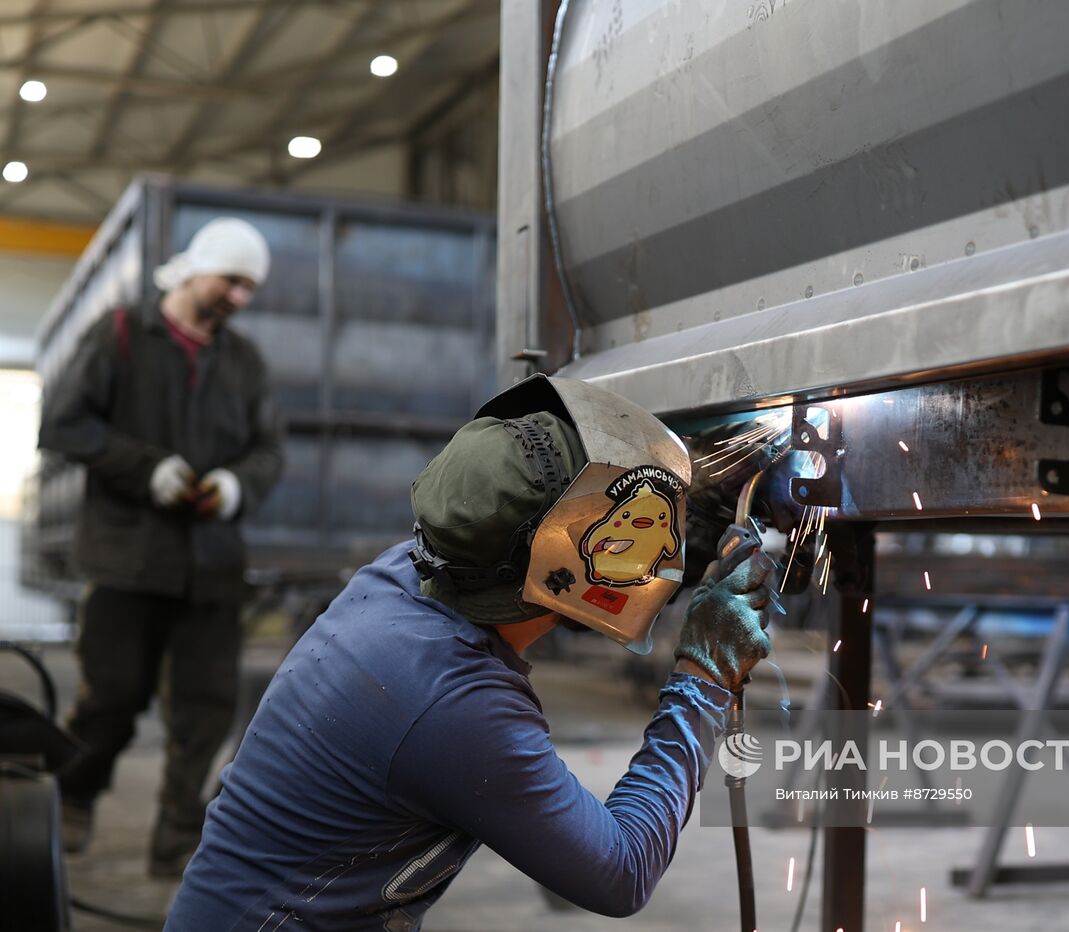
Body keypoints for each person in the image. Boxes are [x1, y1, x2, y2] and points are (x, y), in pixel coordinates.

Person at [166, 374, 779, 930]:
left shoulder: (403, 574)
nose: (654, 542)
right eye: (634, 528)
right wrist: (704, 676)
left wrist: (687, 521)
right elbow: (621, 872)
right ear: (562, 561)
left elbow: (552, 570)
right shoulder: (454, 706)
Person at [38, 217, 285, 876]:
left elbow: (268, 452)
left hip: (212, 567)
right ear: (198, 268)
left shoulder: (245, 361)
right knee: (110, 698)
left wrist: (233, 486)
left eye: (249, 289)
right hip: (127, 560)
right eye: (231, 282)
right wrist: (146, 468)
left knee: (204, 713)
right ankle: (74, 799)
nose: (240, 298)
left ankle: (178, 844)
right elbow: (63, 425)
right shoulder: (120, 336)